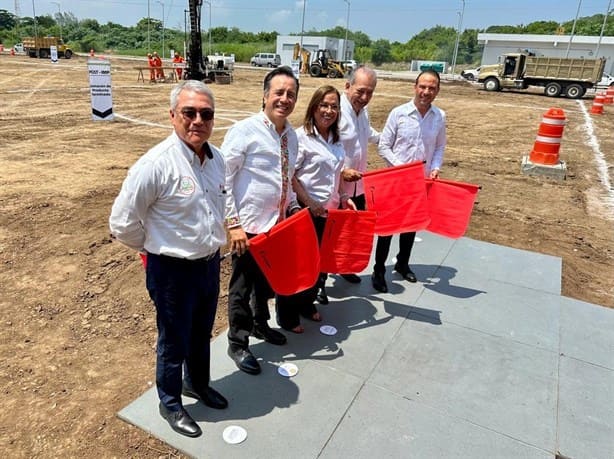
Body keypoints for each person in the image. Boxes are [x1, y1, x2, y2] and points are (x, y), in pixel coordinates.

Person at [109, 80, 228, 438]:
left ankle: (197, 383)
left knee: (201, 332)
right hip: (172, 270)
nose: (198, 121)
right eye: (189, 113)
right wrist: (154, 248)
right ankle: (171, 402)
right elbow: (121, 222)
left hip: (209, 263)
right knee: (173, 338)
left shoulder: (216, 158)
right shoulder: (156, 165)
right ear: (173, 115)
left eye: (206, 114)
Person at [222, 66, 300, 375]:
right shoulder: (244, 131)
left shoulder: (291, 136)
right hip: (248, 227)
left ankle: (259, 324)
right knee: (241, 288)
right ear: (265, 95)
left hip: (277, 226)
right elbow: (224, 179)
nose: (284, 99)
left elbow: (287, 178)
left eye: (290, 94)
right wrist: (233, 224)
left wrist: (293, 209)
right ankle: (238, 342)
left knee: (265, 285)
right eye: (278, 93)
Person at [276, 85, 356, 333]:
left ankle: (306, 303)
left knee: (319, 264)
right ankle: (287, 315)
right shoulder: (301, 138)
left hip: (329, 212)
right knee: (299, 265)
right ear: (314, 107)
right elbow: (291, 176)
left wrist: (344, 196)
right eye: (324, 105)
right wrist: (309, 203)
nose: (329, 110)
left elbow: (335, 175)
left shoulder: (336, 140)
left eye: (334, 106)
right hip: (304, 211)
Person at [372, 69, 447, 293]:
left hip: (420, 183)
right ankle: (378, 270)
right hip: (395, 180)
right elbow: (384, 146)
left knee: (411, 226)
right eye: (422, 87)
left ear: (437, 90)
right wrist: (402, 169)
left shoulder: (439, 116)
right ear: (415, 87)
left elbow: (440, 146)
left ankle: (403, 264)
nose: (426, 92)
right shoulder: (399, 113)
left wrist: (434, 168)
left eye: (431, 88)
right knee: (387, 228)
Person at [338, 65, 380, 284]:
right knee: (332, 234)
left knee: (352, 232)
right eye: (360, 90)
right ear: (348, 86)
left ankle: (344, 267)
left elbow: (369, 134)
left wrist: (389, 140)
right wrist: (342, 170)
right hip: (336, 187)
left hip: (358, 186)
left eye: (370, 92)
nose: (364, 97)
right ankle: (321, 284)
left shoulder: (363, 112)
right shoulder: (335, 110)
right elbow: (323, 146)